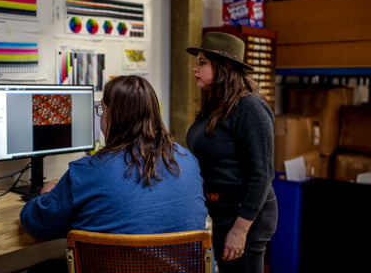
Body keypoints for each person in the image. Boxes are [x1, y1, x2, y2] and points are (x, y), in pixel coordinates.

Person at [20, 75, 207, 242]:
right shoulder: (187, 161)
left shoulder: (87, 172)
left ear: (112, 116)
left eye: (102, 110)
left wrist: (47, 194)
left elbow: (36, 223)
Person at [185, 32, 278, 273]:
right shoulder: (217, 105)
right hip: (224, 213)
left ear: (224, 66)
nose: (195, 68)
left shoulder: (250, 107)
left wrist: (240, 229)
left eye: (202, 62)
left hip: (246, 216)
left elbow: (262, 173)